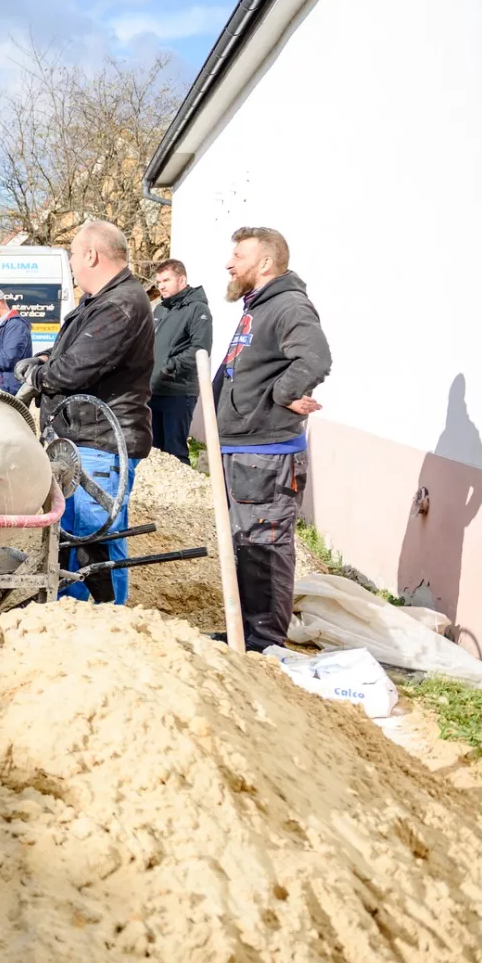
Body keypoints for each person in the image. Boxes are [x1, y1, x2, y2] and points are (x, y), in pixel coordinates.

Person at [23, 220, 155, 604]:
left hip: (100, 443)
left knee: (94, 543)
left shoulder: (121, 305)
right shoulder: (100, 303)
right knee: (74, 539)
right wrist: (44, 360)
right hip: (81, 440)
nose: (71, 263)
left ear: (92, 255)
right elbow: (69, 357)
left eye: (73, 255)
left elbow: (74, 370)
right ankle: (75, 620)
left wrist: (38, 374)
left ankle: (104, 625)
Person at [213, 225, 331, 653]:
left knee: (264, 548)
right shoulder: (256, 308)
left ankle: (264, 643)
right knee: (244, 546)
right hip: (244, 449)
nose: (230, 263)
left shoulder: (287, 306)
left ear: (265, 262)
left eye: (239, 256)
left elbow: (315, 357)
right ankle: (243, 635)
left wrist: (279, 396)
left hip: (267, 454)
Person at [149, 259, 211, 464]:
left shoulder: (197, 309)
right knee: (154, 449)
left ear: (182, 279)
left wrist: (169, 367)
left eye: (166, 280)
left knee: (175, 450)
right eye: (159, 282)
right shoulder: (161, 309)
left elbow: (200, 349)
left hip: (178, 391)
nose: (162, 286)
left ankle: (184, 495)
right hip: (153, 389)